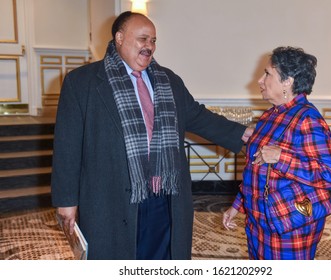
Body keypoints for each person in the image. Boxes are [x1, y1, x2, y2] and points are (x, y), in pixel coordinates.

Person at [51, 11, 253, 260]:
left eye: (153, 40)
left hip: (165, 196)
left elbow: (198, 116)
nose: (149, 46)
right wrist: (67, 201)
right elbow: (67, 146)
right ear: (120, 37)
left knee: (162, 257)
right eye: (143, 39)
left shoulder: (169, 80)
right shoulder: (82, 82)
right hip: (109, 197)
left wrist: (244, 133)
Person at [223, 46, 331, 260]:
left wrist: (281, 157)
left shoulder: (308, 119)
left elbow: (330, 176)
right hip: (259, 219)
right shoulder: (270, 115)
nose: (260, 80)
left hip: (290, 224)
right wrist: (237, 205)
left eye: (268, 73)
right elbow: (255, 167)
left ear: (288, 81)